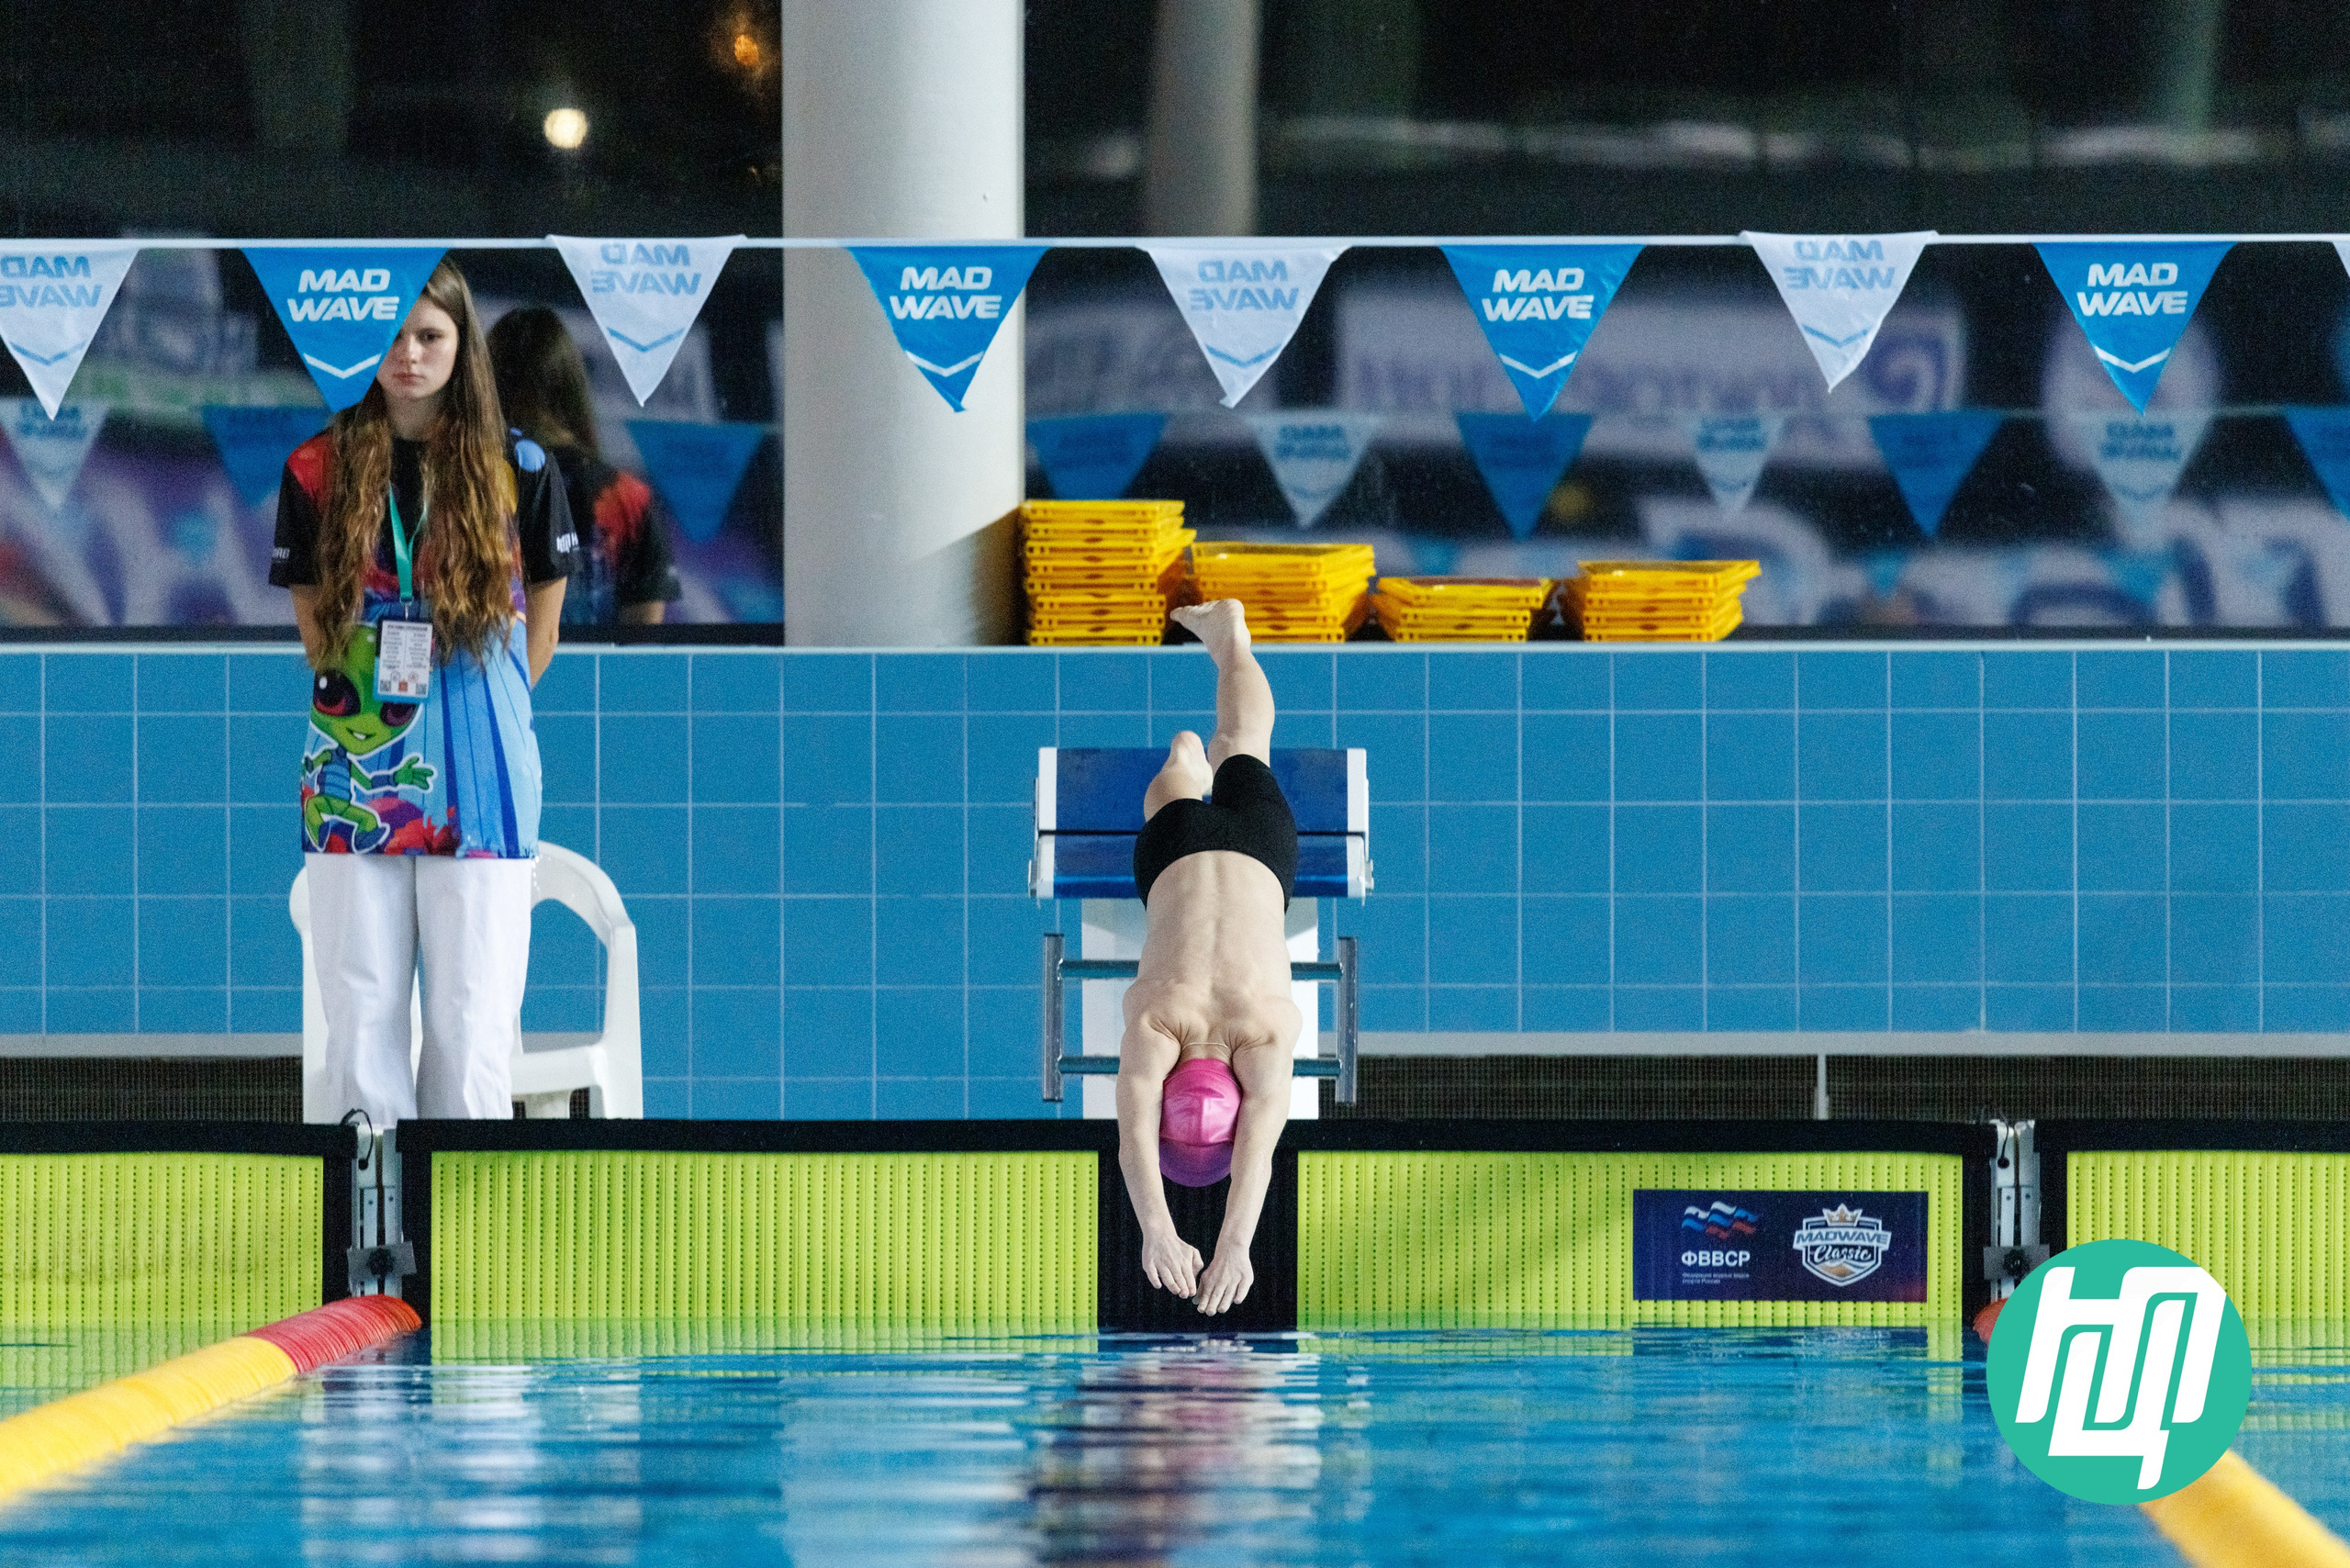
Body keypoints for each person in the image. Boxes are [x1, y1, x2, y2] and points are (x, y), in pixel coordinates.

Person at [270, 258, 576, 1126]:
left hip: (482, 771)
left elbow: (540, 637)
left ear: (461, 343)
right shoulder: (315, 468)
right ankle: (373, 1250)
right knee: (361, 1016)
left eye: (429, 336)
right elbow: (315, 629)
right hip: (352, 768)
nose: (408, 355)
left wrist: (463, 717)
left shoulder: (520, 467)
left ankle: (463, 1242)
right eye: (391, 338)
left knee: (473, 1020)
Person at [1117, 599, 1301, 1317]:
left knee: (1247, 740)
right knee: (1180, 779)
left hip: (1261, 848)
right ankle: (1186, 761)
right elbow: (1132, 1137)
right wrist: (1155, 1231)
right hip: (1179, 845)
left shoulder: (1269, 1033)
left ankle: (1231, 642)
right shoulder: (1154, 1020)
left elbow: (1259, 1148)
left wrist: (1235, 1248)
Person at [486, 305, 682, 626]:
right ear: (571, 388)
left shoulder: (470, 482)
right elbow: (644, 643)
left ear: (487, 387)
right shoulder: (629, 497)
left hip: (496, 667)